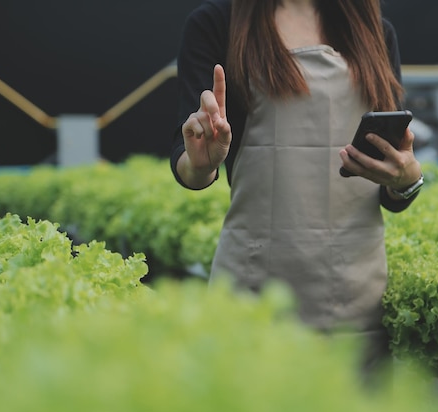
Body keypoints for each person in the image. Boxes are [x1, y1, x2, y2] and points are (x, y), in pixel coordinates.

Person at [170, 0, 423, 376]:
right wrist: (201, 161)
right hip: (255, 284)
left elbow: (392, 176)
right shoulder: (217, 24)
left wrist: (406, 181)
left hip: (356, 288)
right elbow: (189, 163)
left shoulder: (374, 29)